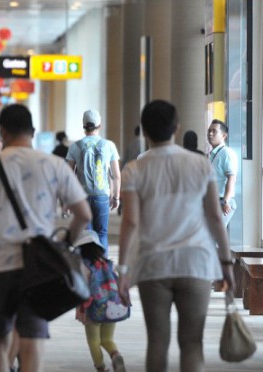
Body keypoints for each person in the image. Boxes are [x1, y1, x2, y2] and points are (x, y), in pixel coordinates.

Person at [0, 104, 91, 372]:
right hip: (40, 269)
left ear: (2, 132)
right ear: (33, 132)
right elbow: (83, 213)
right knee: (33, 343)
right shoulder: (54, 165)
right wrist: (65, 243)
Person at [118, 100, 235, 372]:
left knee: (157, 341)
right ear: (177, 128)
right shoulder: (199, 164)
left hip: (152, 264)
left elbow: (131, 222)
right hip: (195, 263)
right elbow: (216, 217)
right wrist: (226, 262)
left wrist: (123, 269)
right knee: (192, 343)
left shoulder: (135, 169)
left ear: (144, 131)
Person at [66, 109, 121, 254]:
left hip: (82, 197)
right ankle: (103, 269)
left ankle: (88, 268)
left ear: (83, 126)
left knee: (86, 236)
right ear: (100, 125)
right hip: (102, 195)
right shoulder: (109, 145)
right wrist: (116, 197)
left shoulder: (74, 146)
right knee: (102, 233)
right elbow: (116, 175)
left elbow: (68, 176)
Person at [74, 230, 126, 372]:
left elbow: (79, 288)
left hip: (92, 308)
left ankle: (101, 368)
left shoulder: (82, 265)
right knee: (107, 339)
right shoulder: (107, 263)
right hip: (111, 307)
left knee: (93, 340)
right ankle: (116, 355)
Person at [207, 119, 238, 227]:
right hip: (212, 200)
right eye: (209, 131)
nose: (210, 134)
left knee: (213, 236)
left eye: (214, 131)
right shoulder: (211, 154)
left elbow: (231, 179)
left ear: (224, 135)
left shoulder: (226, 153)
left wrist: (225, 202)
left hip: (222, 202)